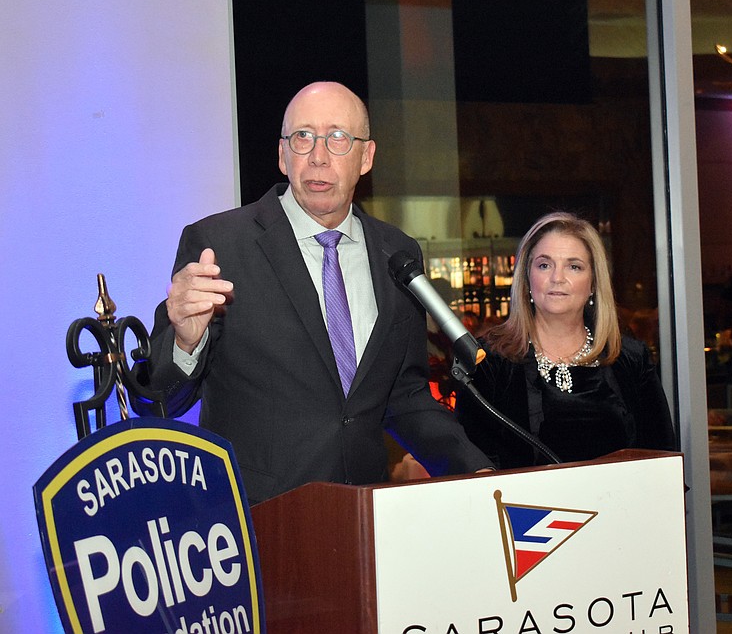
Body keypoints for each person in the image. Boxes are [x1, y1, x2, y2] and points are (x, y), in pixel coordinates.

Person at [132, 81, 491, 503]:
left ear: (366, 157)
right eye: (303, 137)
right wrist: (185, 342)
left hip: (362, 517)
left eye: (338, 138)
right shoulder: (220, 245)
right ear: (283, 155)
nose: (318, 156)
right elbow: (158, 402)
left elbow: (405, 396)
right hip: (257, 524)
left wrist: (476, 470)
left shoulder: (398, 253)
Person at [454, 212, 675, 469]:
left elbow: (661, 462)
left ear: (593, 282)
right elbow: (474, 468)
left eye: (574, 266)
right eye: (544, 265)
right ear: (527, 278)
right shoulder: (489, 360)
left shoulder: (630, 358)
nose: (557, 278)